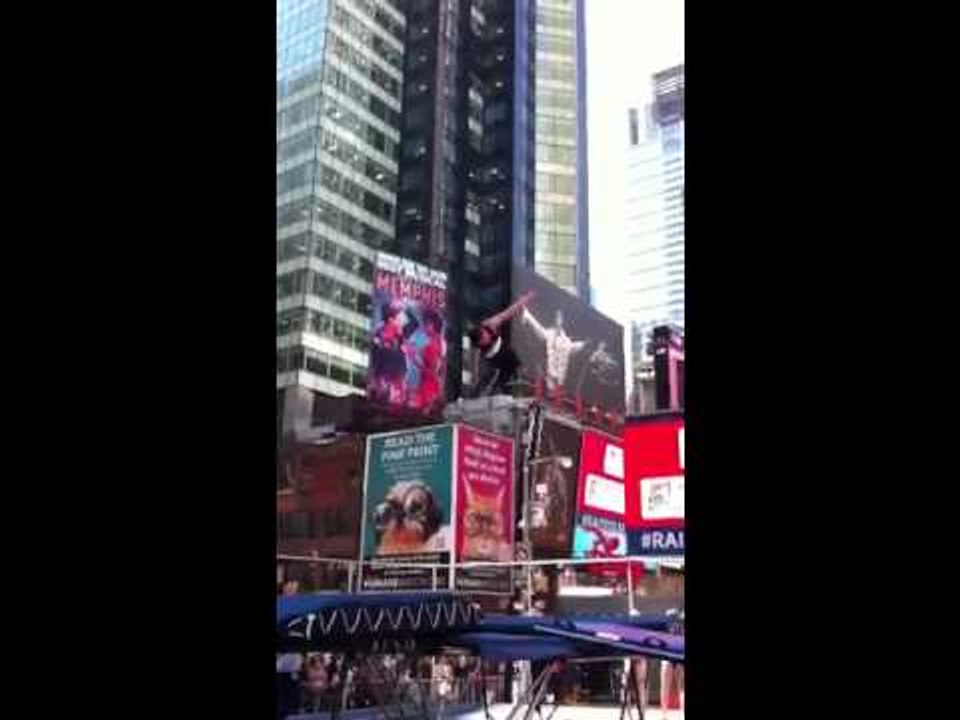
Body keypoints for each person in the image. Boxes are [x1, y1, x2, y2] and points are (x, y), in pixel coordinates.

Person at [467, 292, 534, 396]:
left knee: (514, 365)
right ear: (479, 342)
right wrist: (475, 376)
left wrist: (524, 300)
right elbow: (475, 362)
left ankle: (522, 377)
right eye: (484, 340)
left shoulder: (490, 324)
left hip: (506, 352)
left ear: (483, 331)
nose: (487, 339)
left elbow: (509, 312)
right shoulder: (475, 345)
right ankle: (498, 388)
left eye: (485, 336)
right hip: (494, 360)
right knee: (498, 380)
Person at [520, 307, 589, 394]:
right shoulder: (549, 333)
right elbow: (538, 329)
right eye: (557, 317)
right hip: (551, 371)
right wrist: (528, 315)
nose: (558, 320)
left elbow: (573, 347)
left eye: (560, 318)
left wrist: (584, 344)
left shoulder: (566, 341)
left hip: (559, 373)